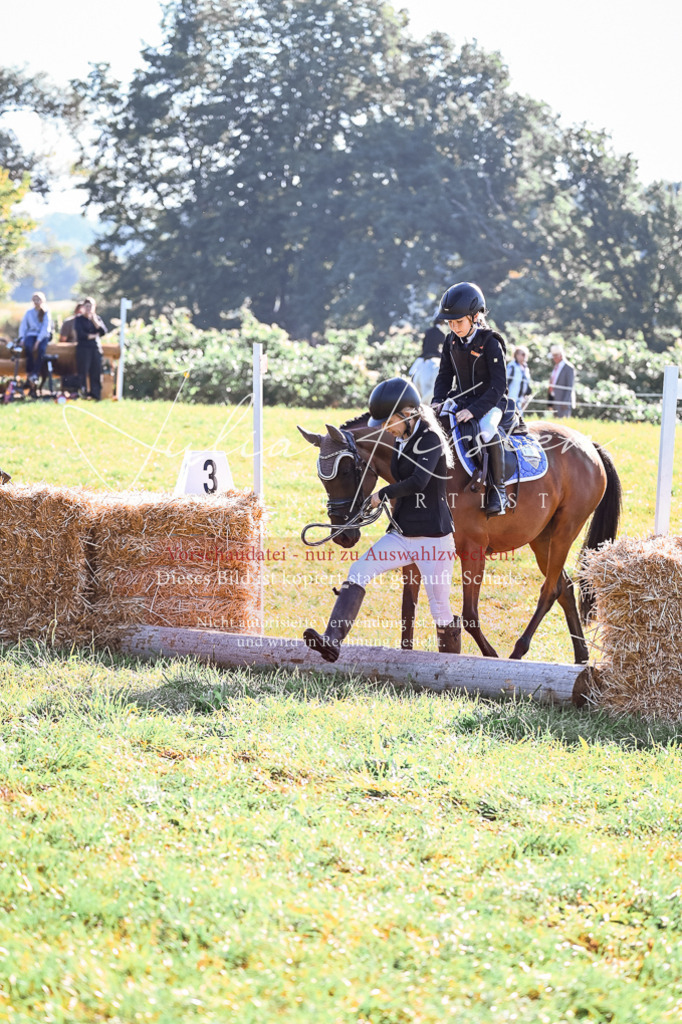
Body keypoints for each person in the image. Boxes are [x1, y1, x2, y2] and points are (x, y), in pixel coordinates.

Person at [303, 377, 460, 663]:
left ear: (408, 413)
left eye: (389, 422)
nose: (386, 429)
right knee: (359, 569)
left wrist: (382, 494)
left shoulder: (431, 439)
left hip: (433, 541)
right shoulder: (401, 440)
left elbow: (418, 481)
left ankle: (454, 671)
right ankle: (332, 641)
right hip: (401, 535)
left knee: (440, 610)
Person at [431, 281, 509, 516]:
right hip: (461, 400)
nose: (454, 327)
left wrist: (474, 411)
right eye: (450, 323)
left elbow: (498, 386)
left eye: (458, 322)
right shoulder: (451, 341)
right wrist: (437, 400)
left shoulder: (491, 342)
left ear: (475, 317)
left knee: (486, 431)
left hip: (491, 402)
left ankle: (498, 490)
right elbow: (444, 375)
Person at [74, 297, 107, 400]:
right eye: (87, 306)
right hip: (83, 349)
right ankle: (83, 394)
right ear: (83, 307)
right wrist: (93, 335)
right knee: (83, 372)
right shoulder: (79, 319)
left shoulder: (97, 318)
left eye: (90, 306)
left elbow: (103, 332)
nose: (89, 308)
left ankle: (95, 394)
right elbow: (81, 334)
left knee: (96, 372)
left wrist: (94, 321)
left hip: (95, 348)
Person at [18, 292, 53, 383]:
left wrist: (38, 341)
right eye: (35, 300)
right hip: (31, 334)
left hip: (43, 336)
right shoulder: (29, 313)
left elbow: (46, 329)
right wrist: (22, 338)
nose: (36, 302)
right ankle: (29, 371)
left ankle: (36, 372)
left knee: (41, 350)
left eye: (38, 300)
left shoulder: (46, 312)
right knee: (28, 347)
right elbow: (23, 327)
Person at [408, 323, 444, 403]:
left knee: (411, 373)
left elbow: (423, 345)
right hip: (437, 355)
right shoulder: (442, 334)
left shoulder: (428, 331)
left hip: (425, 355)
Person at [548, 344, 576, 418]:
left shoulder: (568, 368)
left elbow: (570, 386)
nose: (554, 358)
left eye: (555, 356)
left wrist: (565, 402)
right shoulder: (555, 367)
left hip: (563, 402)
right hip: (554, 400)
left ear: (560, 355)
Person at [506, 345, 533, 413]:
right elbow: (505, 382)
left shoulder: (525, 368)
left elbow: (526, 385)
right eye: (523, 354)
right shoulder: (511, 366)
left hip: (521, 400)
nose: (525, 356)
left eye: (526, 355)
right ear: (517, 355)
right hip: (511, 398)